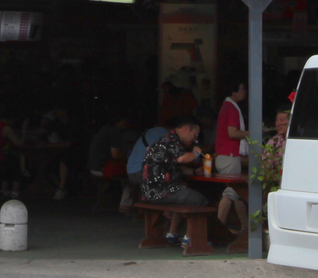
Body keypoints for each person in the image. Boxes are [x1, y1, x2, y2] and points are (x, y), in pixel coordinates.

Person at [139, 115, 211, 248]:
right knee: (199, 199)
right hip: (161, 190)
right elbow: (182, 159)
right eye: (195, 135)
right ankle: (191, 239)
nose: (195, 139)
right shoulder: (172, 140)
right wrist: (196, 153)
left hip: (151, 191)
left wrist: (194, 172)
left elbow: (178, 167)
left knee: (185, 194)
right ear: (186, 129)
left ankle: (173, 234)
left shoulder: (166, 139)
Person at [86, 113, 139, 213]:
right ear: (119, 122)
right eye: (125, 121)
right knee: (134, 173)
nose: (127, 124)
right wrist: (129, 154)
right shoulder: (114, 132)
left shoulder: (104, 129)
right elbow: (116, 155)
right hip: (103, 167)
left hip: (94, 166)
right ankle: (126, 204)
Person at [212, 83, 249, 228]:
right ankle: (218, 227)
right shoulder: (232, 108)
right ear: (234, 91)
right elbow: (232, 133)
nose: (245, 92)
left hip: (224, 154)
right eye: (242, 89)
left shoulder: (226, 106)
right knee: (231, 192)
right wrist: (253, 132)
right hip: (230, 154)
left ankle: (246, 228)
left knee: (238, 193)